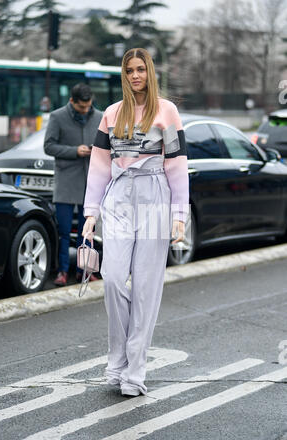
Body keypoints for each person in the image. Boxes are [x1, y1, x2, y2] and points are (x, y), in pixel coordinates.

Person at [82, 48, 189, 397]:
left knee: (145, 288)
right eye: (129, 70)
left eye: (141, 69)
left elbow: (176, 165)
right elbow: (98, 166)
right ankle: (117, 360)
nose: (136, 76)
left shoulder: (167, 110)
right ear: (124, 75)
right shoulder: (112, 113)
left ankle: (134, 371)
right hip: (118, 197)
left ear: (150, 72)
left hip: (155, 194)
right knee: (112, 279)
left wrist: (178, 215)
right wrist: (90, 213)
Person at [44, 83, 102, 286]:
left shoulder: (100, 117)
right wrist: (74, 151)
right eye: (81, 107)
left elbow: (108, 145)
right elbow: (48, 146)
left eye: (88, 106)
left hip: (91, 183)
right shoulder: (57, 117)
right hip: (67, 182)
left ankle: (85, 271)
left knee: (88, 231)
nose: (86, 110)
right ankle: (61, 271)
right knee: (64, 231)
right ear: (72, 102)